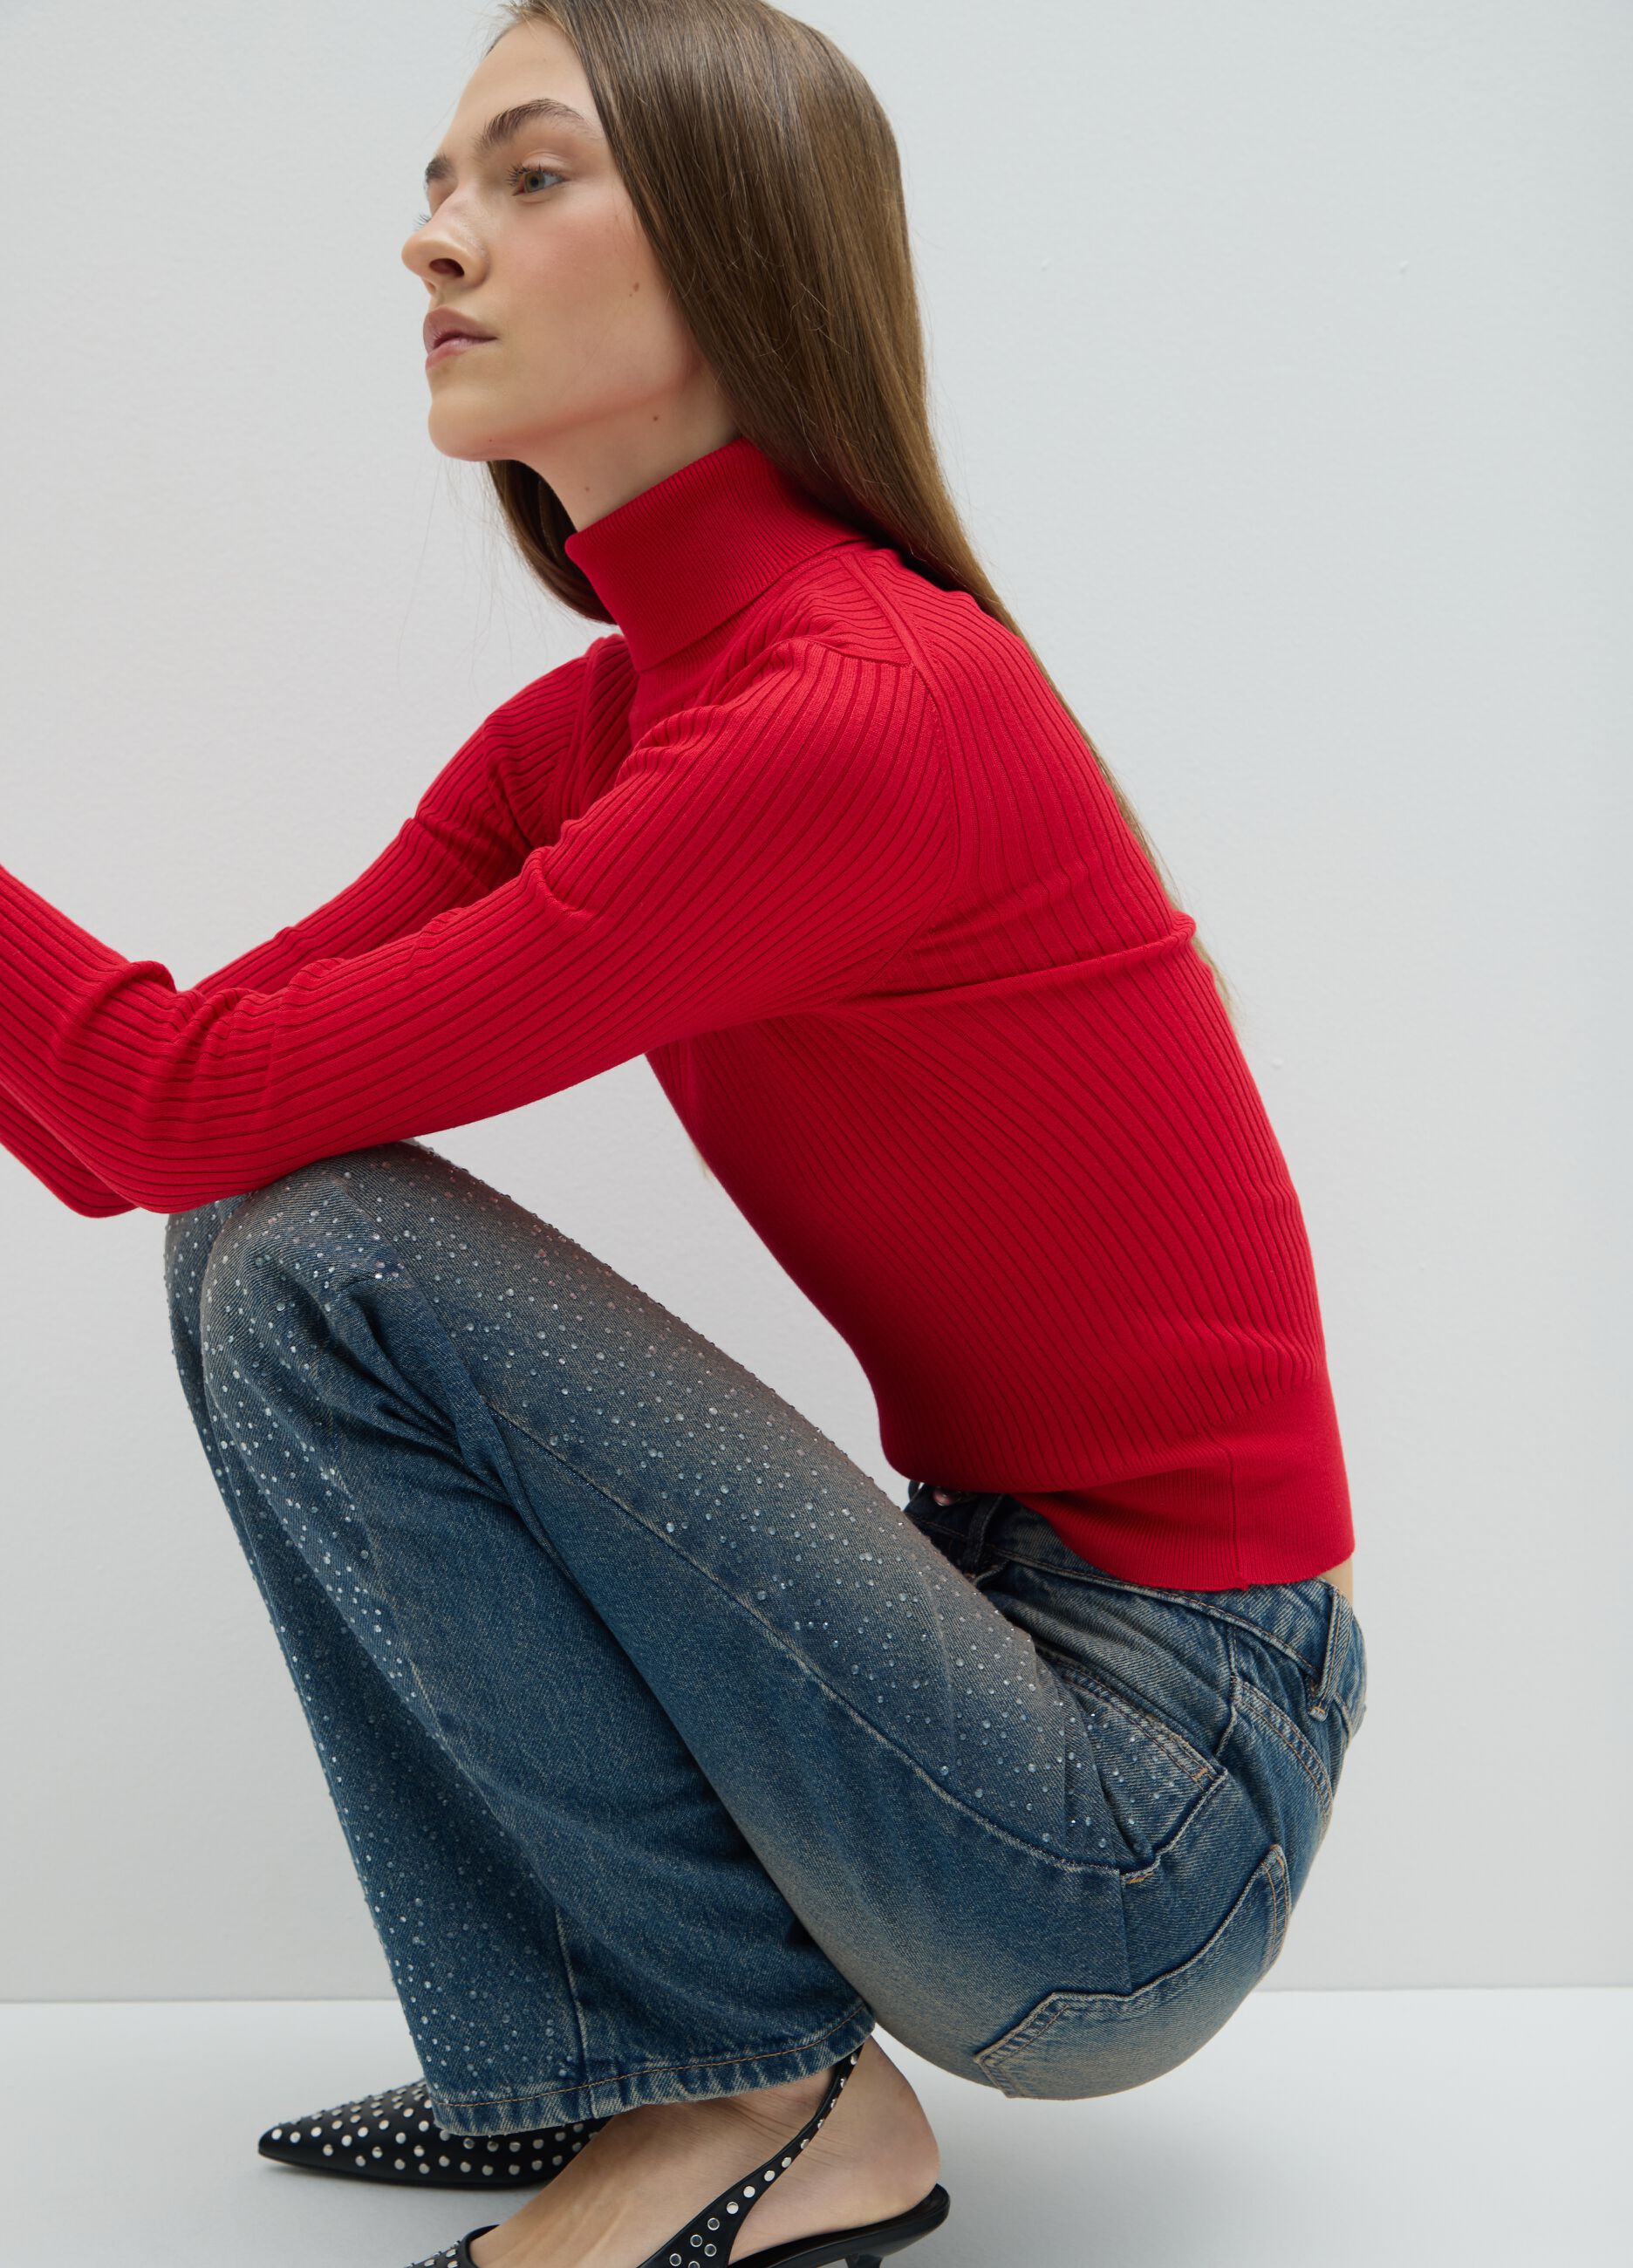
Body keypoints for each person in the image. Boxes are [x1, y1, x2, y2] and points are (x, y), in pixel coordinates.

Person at [0, 6, 1366, 2267]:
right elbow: (142, 1117)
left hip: (1145, 1817)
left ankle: (766, 2087)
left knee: (319, 1249)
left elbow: (162, 1104)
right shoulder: (618, 725)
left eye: (529, 178)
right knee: (264, 1235)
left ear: (739, 252)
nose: (437, 241)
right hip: (1006, 1658)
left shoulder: (849, 722)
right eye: (443, 184)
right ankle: (613, 2059)